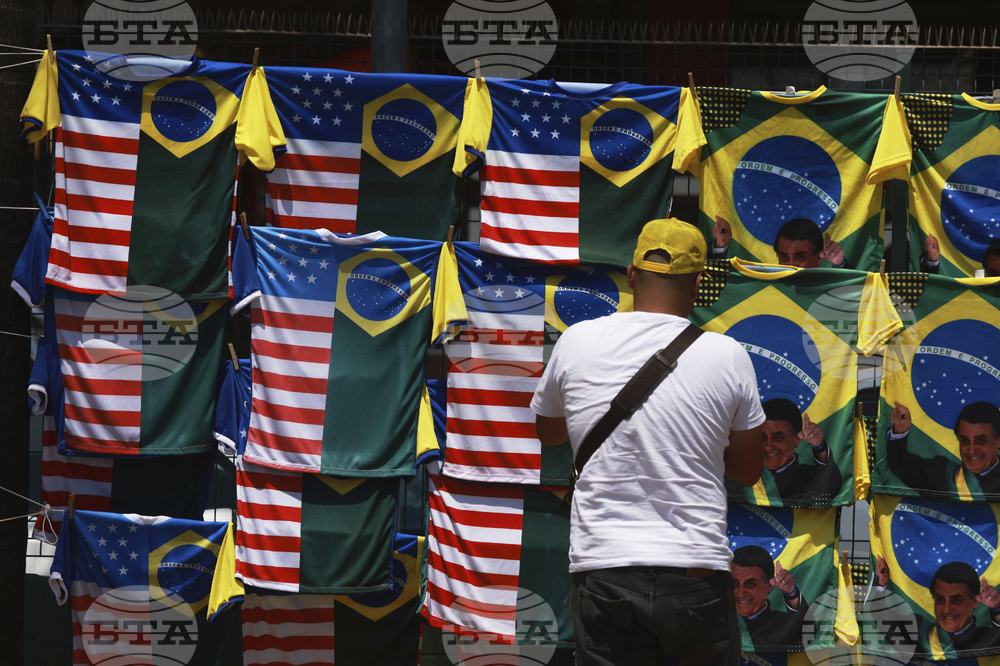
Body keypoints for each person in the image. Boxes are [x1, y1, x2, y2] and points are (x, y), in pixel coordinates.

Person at [532, 217, 765, 665]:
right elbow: (747, 470)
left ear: (632, 273)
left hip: (604, 568)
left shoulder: (577, 341)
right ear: (698, 283)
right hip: (695, 569)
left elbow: (549, 432)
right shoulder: (728, 355)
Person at [725, 398, 842, 505]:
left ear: (797, 439)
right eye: (762, 436)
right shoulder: (735, 478)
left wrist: (819, 447)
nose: (768, 446)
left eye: (778, 437)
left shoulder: (811, 479)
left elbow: (834, 488)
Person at [875, 560, 1000, 653]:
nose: (946, 609)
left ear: (975, 601)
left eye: (956, 600)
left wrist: (996, 608)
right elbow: (882, 621)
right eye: (940, 599)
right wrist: (881, 585)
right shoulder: (919, 630)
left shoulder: (989, 638)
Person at [886, 401, 1000, 498]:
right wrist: (900, 431)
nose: (971, 451)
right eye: (965, 441)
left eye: (981, 441)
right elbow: (901, 466)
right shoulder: (944, 472)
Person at [731, 546, 807, 650]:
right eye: (735, 583)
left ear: (770, 585)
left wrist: (791, 593)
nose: (740, 593)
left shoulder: (785, 625)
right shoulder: (718, 621)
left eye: (750, 584)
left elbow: (809, 633)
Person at [709, 216, 849, 268]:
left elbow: (852, 300)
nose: (790, 264)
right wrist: (720, 246)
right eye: (784, 257)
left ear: (819, 258)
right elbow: (716, 288)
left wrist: (840, 265)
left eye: (800, 257)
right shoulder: (763, 288)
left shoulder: (826, 292)